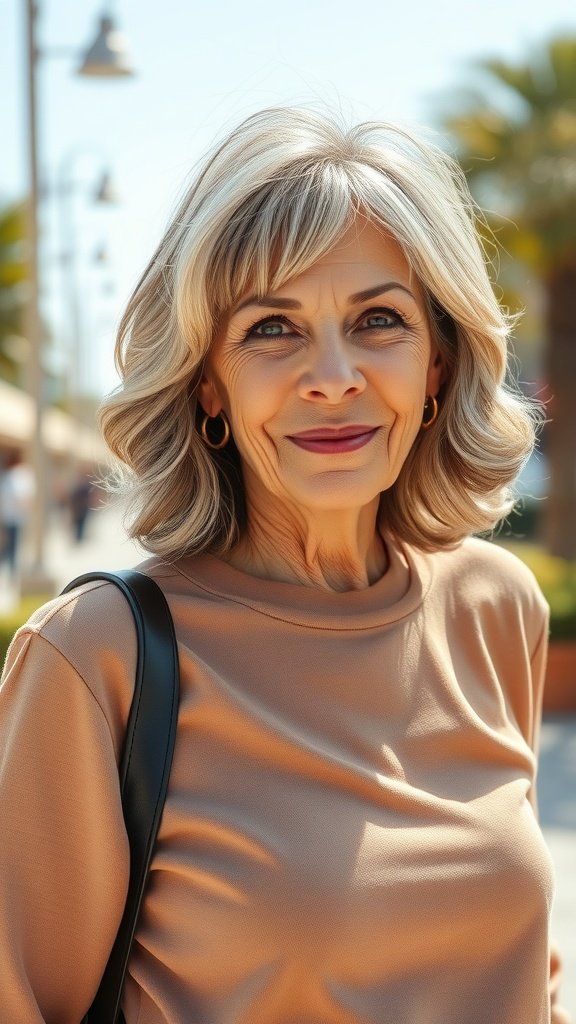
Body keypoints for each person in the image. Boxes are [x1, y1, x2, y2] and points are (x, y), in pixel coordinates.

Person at [0, 107, 571, 1023]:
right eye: (272, 328)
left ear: (437, 363)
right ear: (207, 382)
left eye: (379, 319)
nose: (333, 375)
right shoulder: (95, 655)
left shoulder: (496, 606)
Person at [0, 450, 35, 580]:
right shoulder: (19, 475)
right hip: (14, 516)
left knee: (10, 545)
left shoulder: (15, 475)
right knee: (12, 546)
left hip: (11, 516)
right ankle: (12, 572)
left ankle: (11, 571)